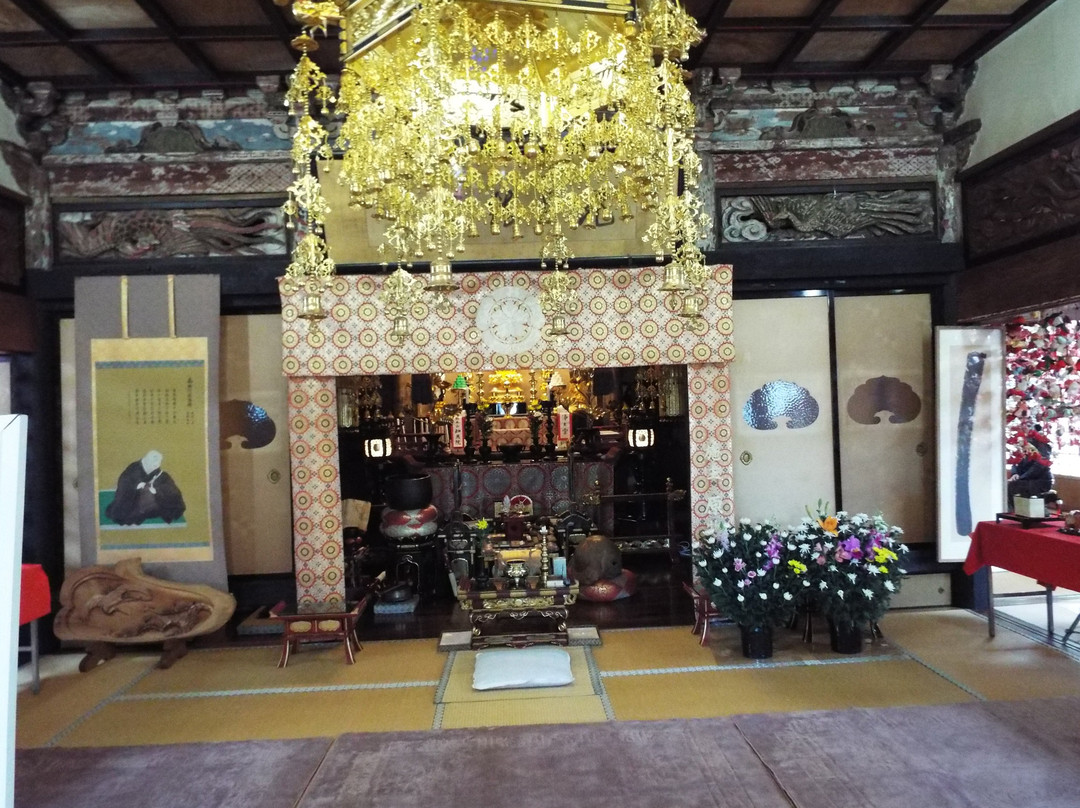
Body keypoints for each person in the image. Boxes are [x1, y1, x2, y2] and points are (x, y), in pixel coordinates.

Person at [1007, 427, 1054, 508]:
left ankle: (1018, 511)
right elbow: (1016, 462)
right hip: (1026, 479)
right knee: (1010, 485)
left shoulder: (1042, 447)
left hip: (1040, 480)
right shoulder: (1024, 444)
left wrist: (1021, 477)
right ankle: (1015, 511)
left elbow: (1038, 467)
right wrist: (1015, 474)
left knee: (1015, 486)